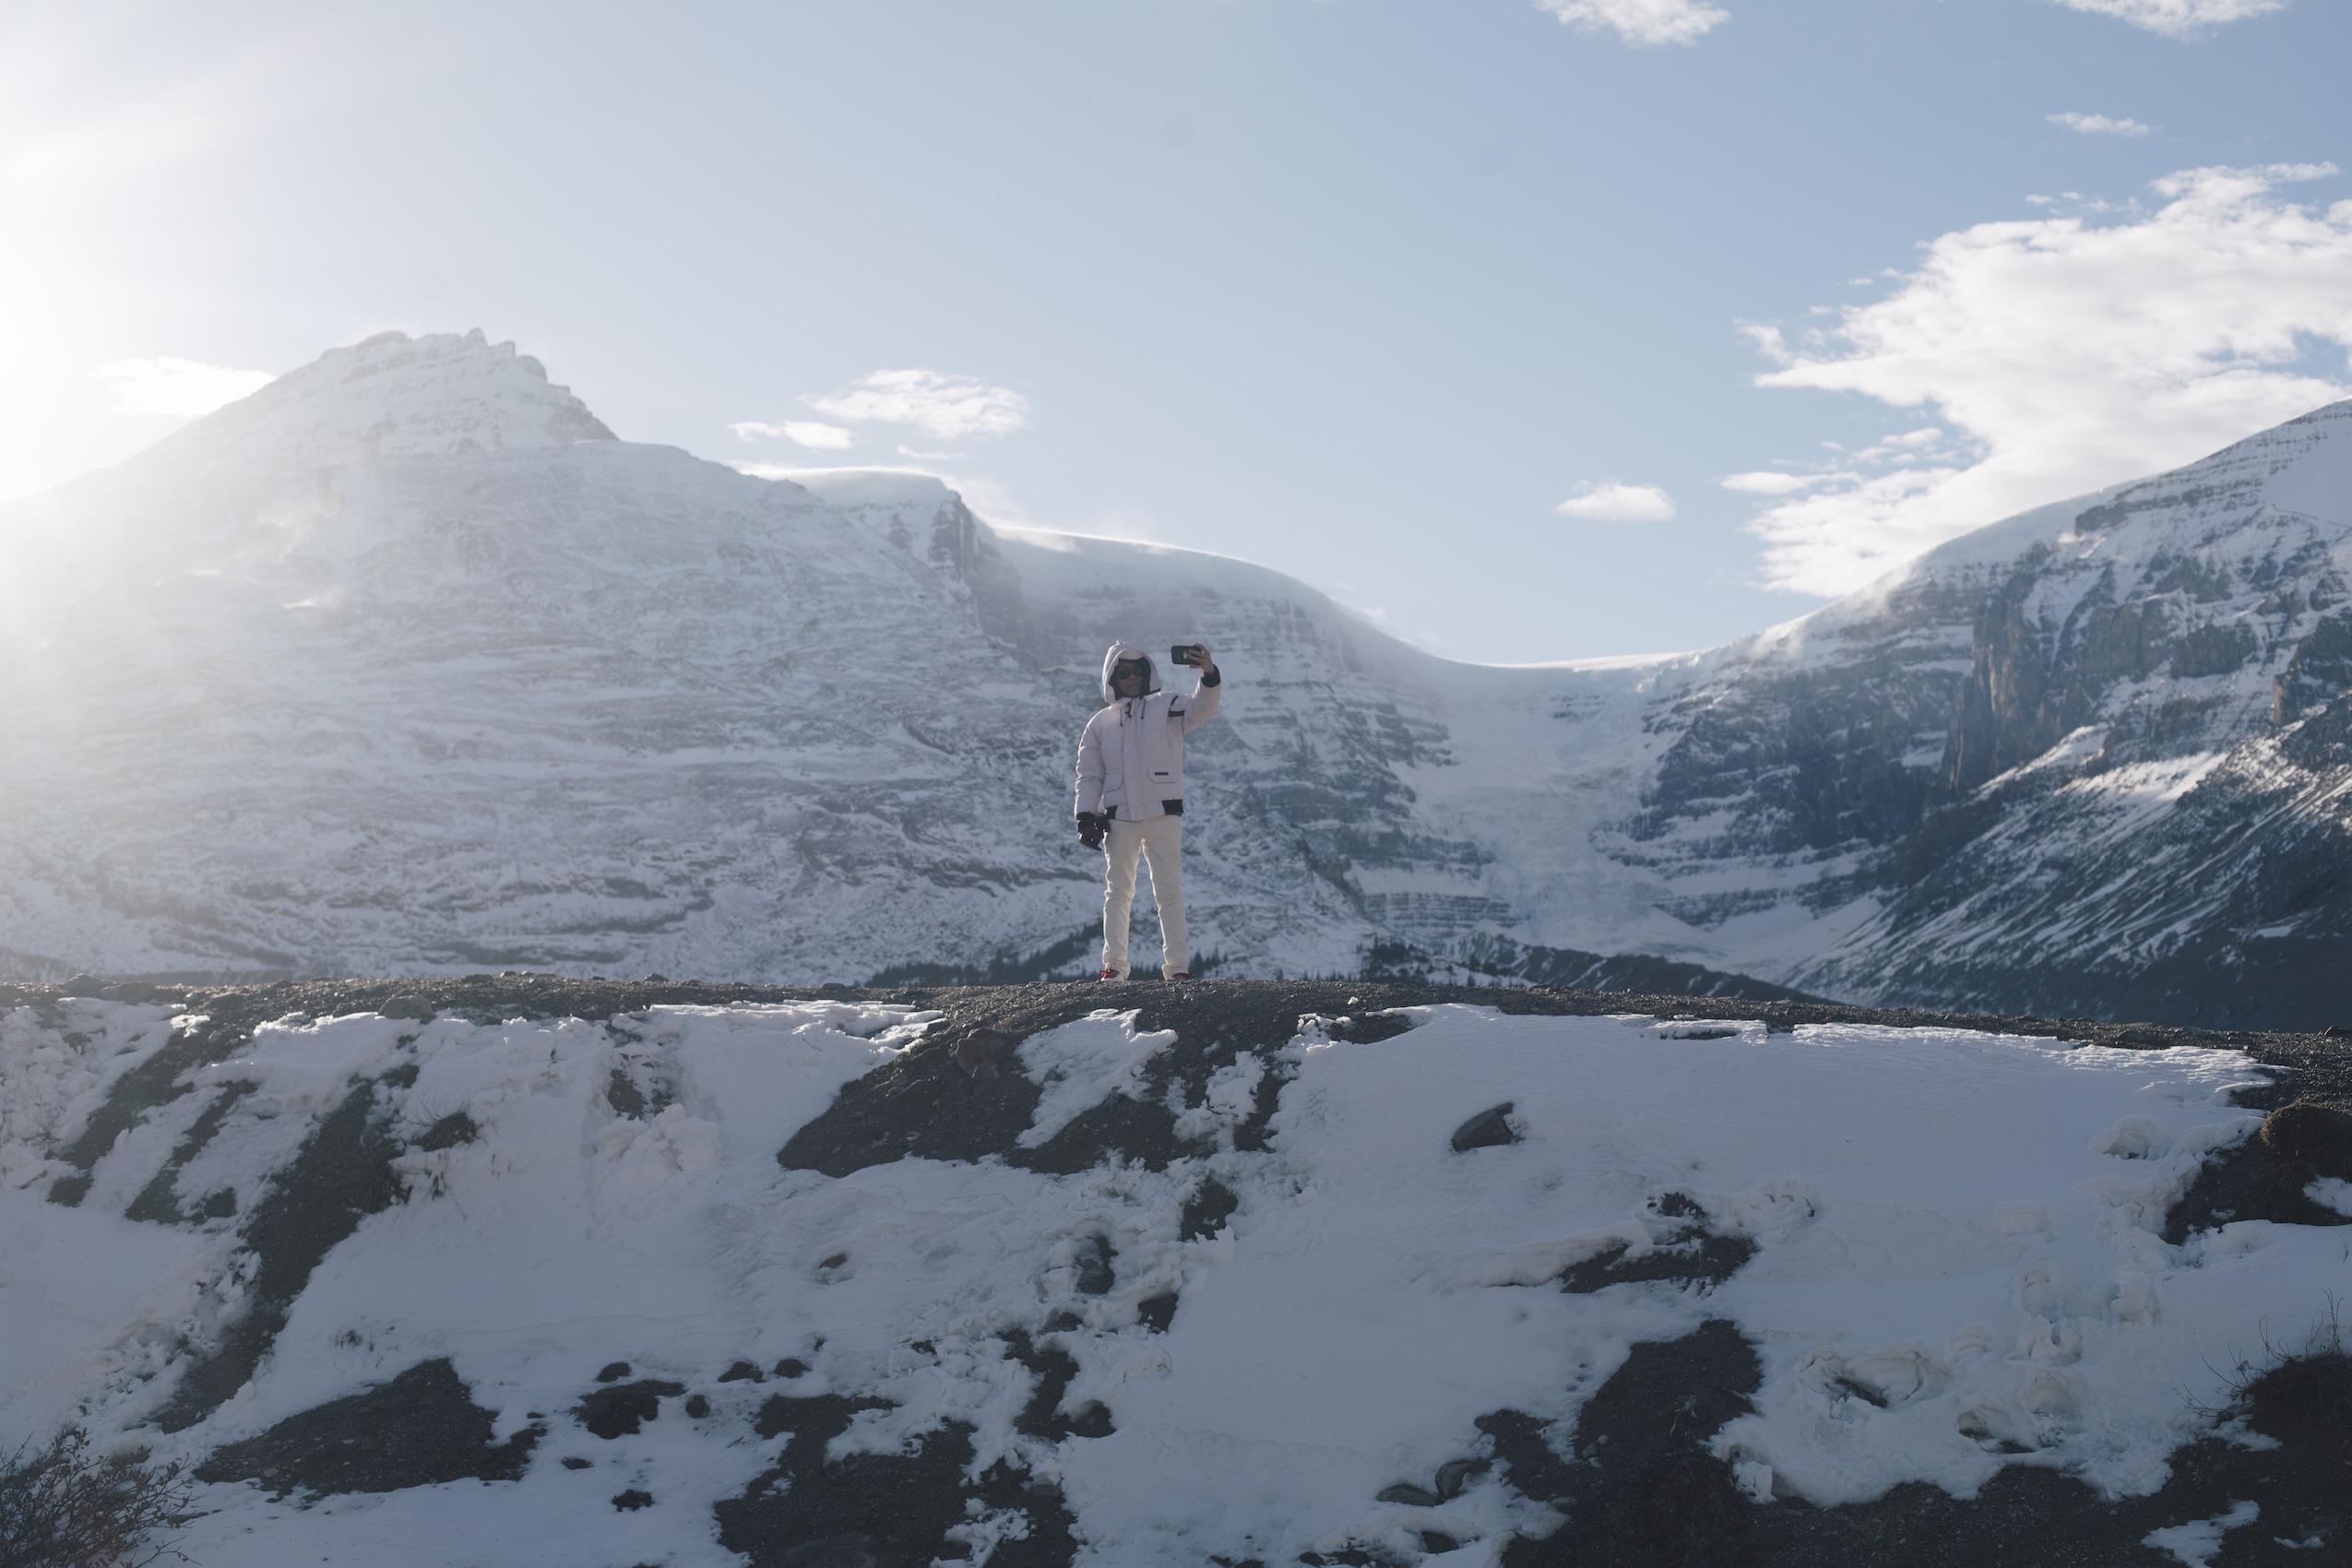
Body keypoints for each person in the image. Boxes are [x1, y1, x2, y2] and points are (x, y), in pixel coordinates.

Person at [1073, 641, 1222, 980]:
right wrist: (1084, 816)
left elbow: (1203, 707)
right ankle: (1115, 967)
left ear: (1147, 672)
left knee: (1168, 890)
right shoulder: (1099, 724)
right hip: (1119, 817)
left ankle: (1178, 969)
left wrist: (1209, 673)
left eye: (1138, 670)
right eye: (1123, 672)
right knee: (1118, 891)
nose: (1131, 677)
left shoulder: (1167, 705)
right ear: (1112, 676)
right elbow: (1089, 775)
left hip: (1163, 815)